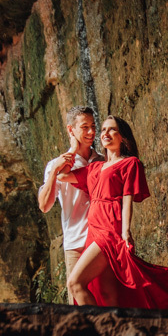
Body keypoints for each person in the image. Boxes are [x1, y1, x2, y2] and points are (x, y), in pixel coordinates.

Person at [58, 116, 168, 309]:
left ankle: (101, 329)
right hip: (93, 231)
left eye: (112, 130)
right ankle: (118, 332)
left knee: (74, 283)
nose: (106, 133)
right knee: (107, 294)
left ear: (123, 137)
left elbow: (128, 197)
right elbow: (62, 175)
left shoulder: (130, 163)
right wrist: (73, 148)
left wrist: (125, 232)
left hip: (109, 230)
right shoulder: (94, 167)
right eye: (103, 129)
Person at [38, 106, 101, 279]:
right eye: (84, 127)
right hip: (76, 243)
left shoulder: (102, 160)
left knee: (106, 300)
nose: (91, 132)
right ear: (70, 130)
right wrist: (54, 172)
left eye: (93, 126)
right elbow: (44, 205)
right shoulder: (55, 166)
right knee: (76, 300)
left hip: (101, 240)